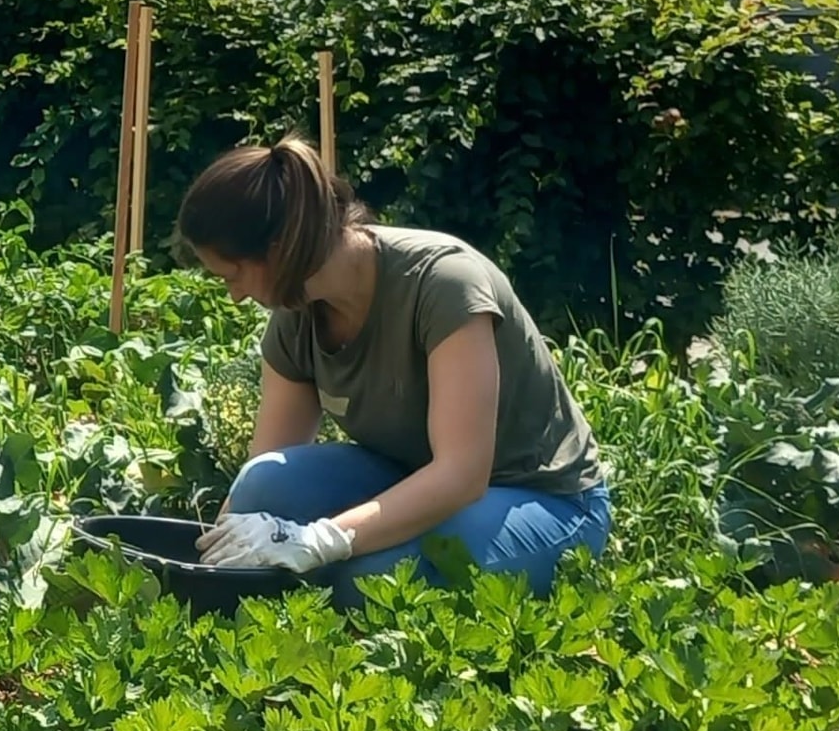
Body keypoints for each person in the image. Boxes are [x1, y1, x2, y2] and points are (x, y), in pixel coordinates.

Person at [176, 139, 610, 592]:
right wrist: (212, 562)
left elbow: (462, 475)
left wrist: (320, 540)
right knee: (261, 487)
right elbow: (263, 475)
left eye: (232, 276)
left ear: (280, 250)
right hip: (407, 475)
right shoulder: (297, 315)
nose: (235, 296)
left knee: (371, 581)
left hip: (543, 498)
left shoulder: (443, 284)